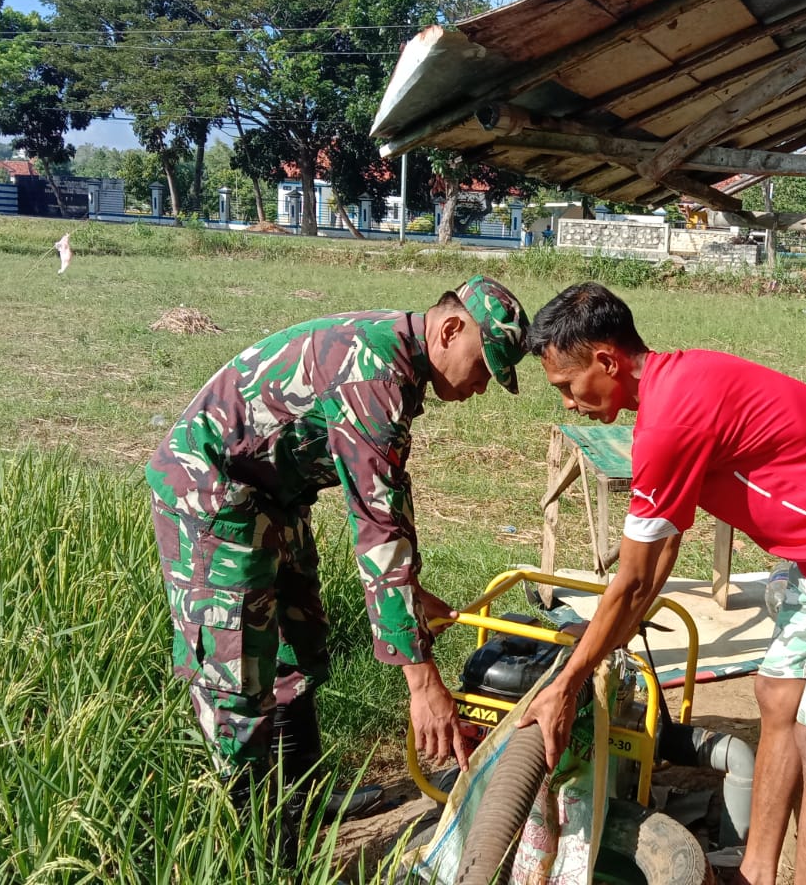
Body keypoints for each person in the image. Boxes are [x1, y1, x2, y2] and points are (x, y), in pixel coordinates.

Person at [517, 282, 806, 885]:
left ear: (607, 361)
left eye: (566, 386)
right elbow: (660, 553)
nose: (567, 403)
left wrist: (568, 683)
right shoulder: (677, 383)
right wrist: (606, 637)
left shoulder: (669, 420)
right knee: (776, 697)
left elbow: (636, 580)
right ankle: (757, 872)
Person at [146, 276, 530, 840]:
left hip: (273, 497)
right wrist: (423, 685)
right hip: (211, 496)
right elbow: (376, 526)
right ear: (451, 328)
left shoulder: (398, 362)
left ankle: (301, 801)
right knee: (237, 681)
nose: (481, 387)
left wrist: (408, 590)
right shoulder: (371, 370)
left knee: (297, 648)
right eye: (483, 367)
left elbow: (385, 501)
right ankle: (257, 852)